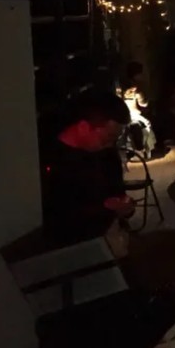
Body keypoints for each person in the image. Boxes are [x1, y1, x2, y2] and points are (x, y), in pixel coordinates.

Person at [42, 90, 135, 245]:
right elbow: (57, 215)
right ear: (84, 127)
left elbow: (118, 192)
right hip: (70, 246)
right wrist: (104, 210)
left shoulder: (107, 155)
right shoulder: (50, 159)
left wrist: (125, 207)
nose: (111, 144)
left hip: (108, 240)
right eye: (108, 137)